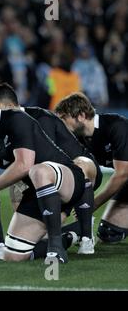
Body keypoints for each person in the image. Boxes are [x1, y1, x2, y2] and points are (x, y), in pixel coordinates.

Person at [0, 84, 87, 263]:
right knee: (12, 255)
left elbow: (24, 165)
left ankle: (56, 249)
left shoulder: (16, 118)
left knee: (38, 170)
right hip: (38, 192)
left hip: (68, 180)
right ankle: (70, 235)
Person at [0, 83, 101, 254]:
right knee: (25, 247)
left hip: (78, 172)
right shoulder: (1, 130)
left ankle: (86, 237)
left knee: (77, 166)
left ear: (9, 106)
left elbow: (51, 160)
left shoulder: (40, 118)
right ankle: (71, 234)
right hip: (45, 179)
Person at [55, 92, 128, 244]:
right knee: (109, 233)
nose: (61, 124)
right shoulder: (78, 139)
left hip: (125, 176)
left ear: (81, 115)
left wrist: (92, 204)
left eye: (63, 118)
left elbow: (122, 174)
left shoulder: (116, 126)